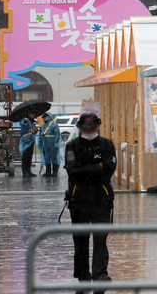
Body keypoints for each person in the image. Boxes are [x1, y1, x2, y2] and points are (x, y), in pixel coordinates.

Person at [65, 111, 116, 294]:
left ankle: (100, 275)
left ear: (98, 126)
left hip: (101, 200)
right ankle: (83, 277)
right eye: (86, 128)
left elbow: (108, 170)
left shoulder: (107, 145)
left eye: (92, 127)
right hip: (78, 200)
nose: (89, 131)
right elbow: (72, 171)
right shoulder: (72, 146)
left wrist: (86, 170)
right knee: (80, 241)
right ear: (79, 128)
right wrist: (96, 168)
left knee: (100, 240)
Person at [38, 112, 62, 177]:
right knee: (47, 158)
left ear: (49, 116)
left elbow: (57, 134)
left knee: (54, 158)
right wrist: (40, 143)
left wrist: (55, 143)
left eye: (46, 116)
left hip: (52, 144)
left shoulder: (54, 125)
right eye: (44, 117)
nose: (45, 118)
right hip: (45, 145)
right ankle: (48, 172)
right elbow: (40, 135)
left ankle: (55, 172)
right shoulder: (43, 126)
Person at [19, 110, 39, 177]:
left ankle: (28, 171)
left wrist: (35, 131)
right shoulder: (25, 120)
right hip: (26, 142)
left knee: (29, 157)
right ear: (28, 114)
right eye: (32, 114)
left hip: (31, 141)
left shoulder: (32, 121)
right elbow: (23, 125)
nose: (33, 115)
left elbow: (30, 131)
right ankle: (25, 172)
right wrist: (25, 121)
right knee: (25, 157)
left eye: (34, 114)